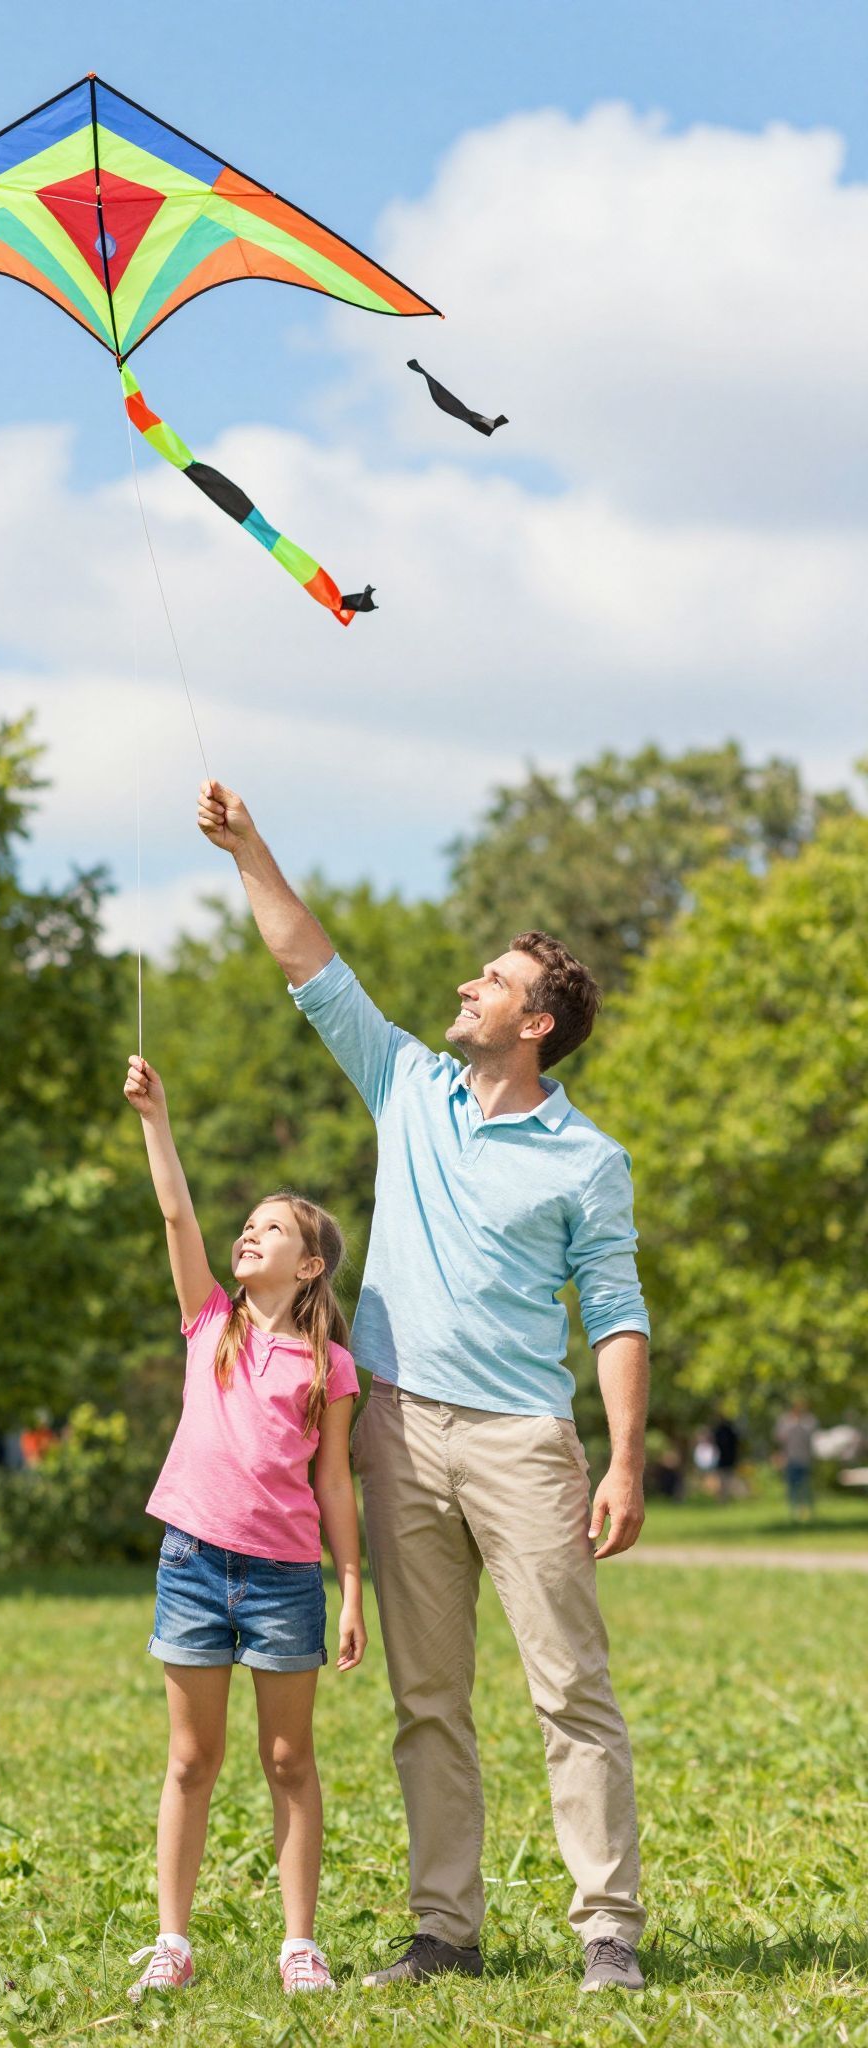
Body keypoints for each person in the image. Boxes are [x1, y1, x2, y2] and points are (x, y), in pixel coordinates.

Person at [197, 779, 651, 1997]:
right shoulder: (409, 1088)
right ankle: (444, 1926)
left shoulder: (587, 1159)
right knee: (426, 1696)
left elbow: (614, 1312)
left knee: (571, 1688)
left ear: (537, 1021)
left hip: (521, 1441)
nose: (467, 987)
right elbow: (313, 967)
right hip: (395, 1429)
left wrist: (621, 1456)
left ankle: (608, 1925)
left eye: (492, 980)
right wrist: (250, 850)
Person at [122, 1052, 366, 2003]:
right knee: (193, 1757)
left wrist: (352, 1589)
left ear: (308, 1264)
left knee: (287, 1759)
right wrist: (157, 1118)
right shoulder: (210, 1324)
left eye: (272, 1228)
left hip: (283, 1579)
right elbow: (177, 1212)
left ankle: (299, 1944)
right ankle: (171, 1940)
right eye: (247, 1225)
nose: (246, 1234)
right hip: (192, 1561)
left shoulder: (330, 1366)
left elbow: (336, 1484)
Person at [774, 1399, 817, 1520]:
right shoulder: (785, 1421)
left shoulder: (809, 1421)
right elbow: (780, 1438)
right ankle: (793, 1512)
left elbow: (811, 1436)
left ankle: (809, 1512)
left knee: (806, 1487)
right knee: (792, 1487)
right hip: (791, 1459)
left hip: (805, 1459)